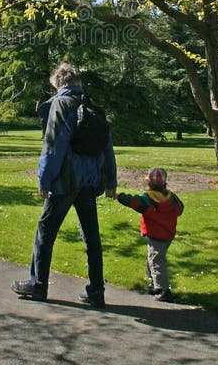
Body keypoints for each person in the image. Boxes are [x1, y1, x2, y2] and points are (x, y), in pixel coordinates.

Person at [11, 62, 117, 307]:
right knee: (92, 236)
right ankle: (96, 291)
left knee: (45, 231)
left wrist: (44, 180)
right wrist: (110, 180)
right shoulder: (93, 107)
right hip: (90, 182)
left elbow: (53, 147)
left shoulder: (61, 104)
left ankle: (38, 285)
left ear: (58, 83)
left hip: (66, 181)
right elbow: (107, 147)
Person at [116, 167, 184, 302]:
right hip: (168, 234)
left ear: (149, 183)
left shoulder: (148, 199)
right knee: (152, 256)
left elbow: (133, 202)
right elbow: (180, 209)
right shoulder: (172, 198)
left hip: (156, 234)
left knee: (156, 260)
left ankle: (163, 289)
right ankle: (154, 283)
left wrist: (119, 196)